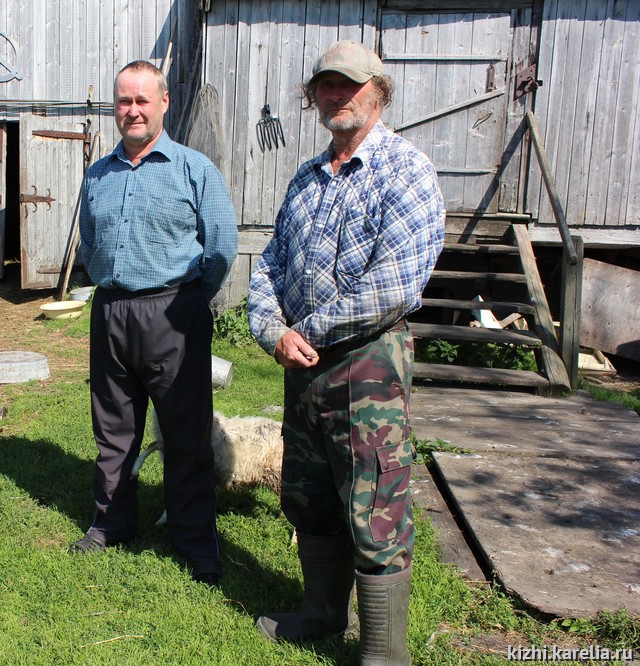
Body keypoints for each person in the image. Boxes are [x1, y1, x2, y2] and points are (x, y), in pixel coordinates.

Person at [247, 41, 444, 664]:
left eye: (350, 85)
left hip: (367, 364)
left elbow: (397, 282)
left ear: (377, 93)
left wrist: (312, 329)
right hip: (302, 364)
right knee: (308, 492)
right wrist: (272, 328)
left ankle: (384, 652)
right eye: (327, 85)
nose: (338, 95)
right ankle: (322, 613)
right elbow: (271, 264)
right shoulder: (306, 178)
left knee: (375, 503)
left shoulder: (406, 170)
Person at [71, 60, 238, 585]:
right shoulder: (98, 174)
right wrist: (108, 286)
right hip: (112, 312)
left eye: (143, 100)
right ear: (114, 107)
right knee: (113, 428)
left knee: (186, 432)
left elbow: (222, 248)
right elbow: (90, 243)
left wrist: (187, 302)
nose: (133, 110)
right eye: (124, 101)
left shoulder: (194, 169)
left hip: (174, 312)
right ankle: (111, 522)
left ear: (164, 103)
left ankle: (194, 538)